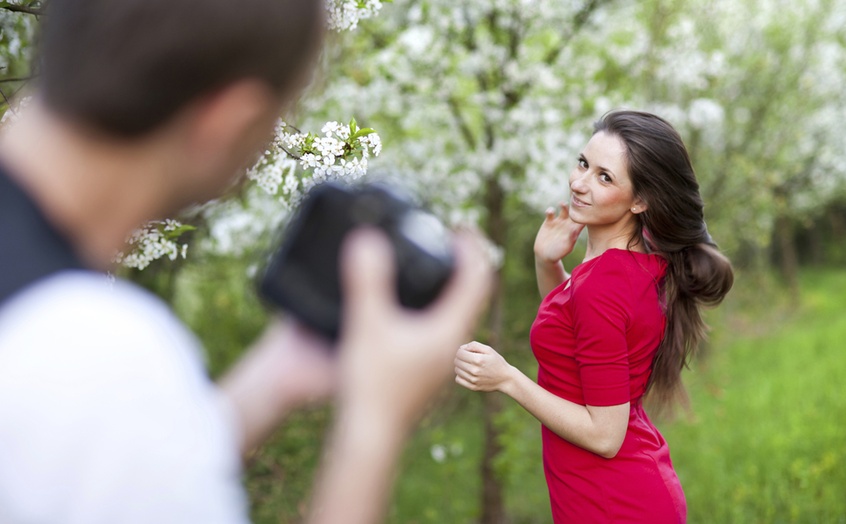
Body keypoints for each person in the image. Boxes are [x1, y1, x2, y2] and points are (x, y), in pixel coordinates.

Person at [0, 1, 493, 523]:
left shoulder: (73, 373)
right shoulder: (98, 357)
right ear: (228, 121)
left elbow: (104, 473)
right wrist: (373, 423)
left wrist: (275, 379)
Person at [454, 110, 733, 523]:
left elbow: (605, 436)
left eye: (605, 177)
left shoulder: (604, 284)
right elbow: (574, 337)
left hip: (614, 502)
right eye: (584, 163)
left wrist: (508, 379)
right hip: (621, 492)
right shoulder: (630, 267)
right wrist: (547, 264)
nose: (578, 183)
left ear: (640, 200)